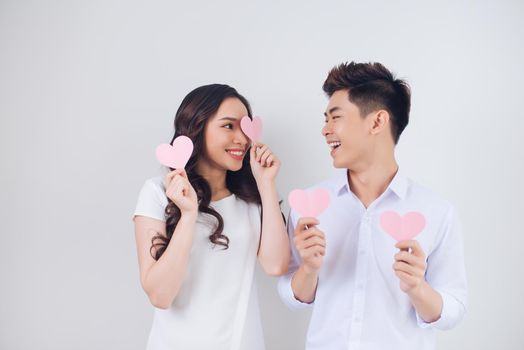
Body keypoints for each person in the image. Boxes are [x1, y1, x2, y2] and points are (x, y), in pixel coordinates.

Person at [278, 62, 467, 349]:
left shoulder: (437, 212)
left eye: (335, 117)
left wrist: (417, 287)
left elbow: (453, 310)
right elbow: (291, 297)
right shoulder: (310, 205)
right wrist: (309, 269)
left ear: (377, 122)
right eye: (325, 119)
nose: (325, 130)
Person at [133, 84, 289, 350]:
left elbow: (276, 265)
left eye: (245, 127)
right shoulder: (157, 192)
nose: (242, 138)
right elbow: (160, 294)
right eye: (229, 126)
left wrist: (266, 185)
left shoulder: (251, 200)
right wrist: (189, 214)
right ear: (197, 127)